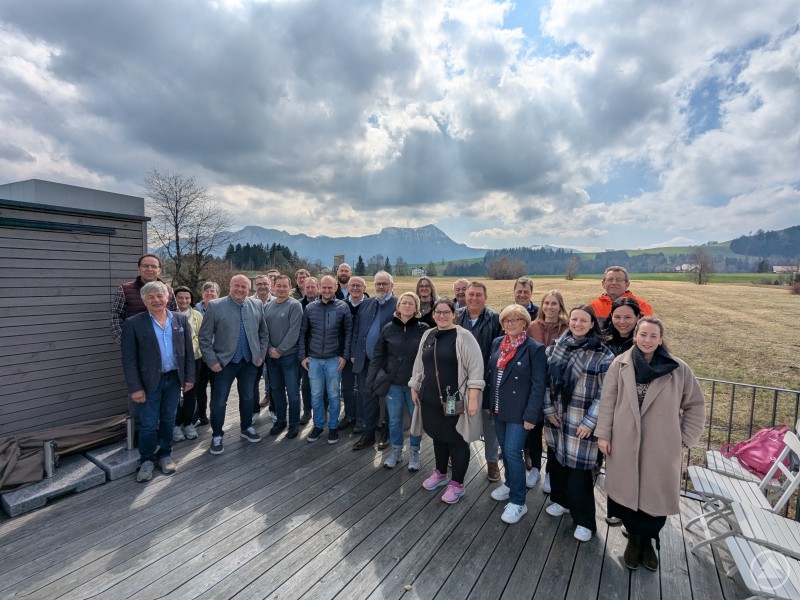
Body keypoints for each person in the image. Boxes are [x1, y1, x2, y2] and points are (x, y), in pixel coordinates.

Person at [596, 317, 705, 570]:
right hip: (624, 440)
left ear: (661, 339)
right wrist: (604, 434)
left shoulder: (677, 368)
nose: (647, 340)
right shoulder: (620, 364)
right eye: (643, 335)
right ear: (635, 336)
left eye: (653, 336)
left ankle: (649, 542)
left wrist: (685, 437)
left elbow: (695, 405)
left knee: (655, 497)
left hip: (661, 445)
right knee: (627, 494)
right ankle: (634, 541)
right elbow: (608, 401)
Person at [543, 304, 614, 542]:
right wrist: (548, 408)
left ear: (592, 324)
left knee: (579, 473)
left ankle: (584, 521)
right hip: (557, 418)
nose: (578, 324)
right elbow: (545, 381)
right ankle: (560, 501)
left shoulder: (603, 354)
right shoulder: (556, 348)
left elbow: (606, 393)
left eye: (584, 320)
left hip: (582, 423)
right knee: (557, 464)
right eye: (574, 319)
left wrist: (591, 421)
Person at [410, 298, 484, 505]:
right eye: (438, 312)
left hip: (453, 399)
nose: (441, 316)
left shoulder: (464, 337)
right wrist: (414, 386)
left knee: (456, 438)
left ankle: (457, 484)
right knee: (437, 436)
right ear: (433, 314)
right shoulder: (428, 334)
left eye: (446, 312)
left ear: (454, 314)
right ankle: (440, 473)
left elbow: (476, 370)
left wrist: (473, 400)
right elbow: (419, 364)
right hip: (430, 398)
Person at [121, 281, 194, 482]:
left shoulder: (180, 320)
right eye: (151, 297)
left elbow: (187, 352)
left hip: (173, 379)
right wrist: (135, 387)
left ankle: (165, 454)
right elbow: (129, 359)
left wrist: (189, 378)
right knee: (149, 423)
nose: (156, 300)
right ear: (144, 300)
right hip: (148, 382)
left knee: (169, 419)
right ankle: (146, 460)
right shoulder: (134, 323)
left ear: (167, 298)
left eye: (160, 295)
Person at [487, 304, 547, 524]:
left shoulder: (534, 348)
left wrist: (531, 415)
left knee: (513, 452)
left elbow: (539, 385)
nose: (509, 324)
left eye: (514, 320)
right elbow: (492, 375)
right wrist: (488, 404)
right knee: (506, 449)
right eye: (505, 321)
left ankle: (518, 501)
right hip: (499, 408)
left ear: (524, 323)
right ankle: (510, 484)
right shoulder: (497, 344)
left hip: (520, 413)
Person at [198, 274, 270, 456]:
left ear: (249, 288)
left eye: (244, 286)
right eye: (236, 285)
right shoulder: (215, 306)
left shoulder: (257, 305)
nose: (240, 289)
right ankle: (217, 435)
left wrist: (260, 355)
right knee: (219, 400)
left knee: (248, 397)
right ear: (229, 286)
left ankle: (246, 428)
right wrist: (212, 361)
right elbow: (204, 338)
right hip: (223, 363)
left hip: (249, 362)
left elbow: (263, 333)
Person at [367, 292, 429, 470]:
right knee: (394, 420)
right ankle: (396, 451)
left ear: (416, 308)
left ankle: (414, 452)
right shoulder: (388, 328)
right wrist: (371, 379)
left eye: (411, 303)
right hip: (393, 383)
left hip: (414, 385)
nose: (407, 306)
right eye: (404, 303)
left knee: (416, 419)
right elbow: (378, 355)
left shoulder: (423, 329)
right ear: (398, 306)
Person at [455, 281, 503, 481]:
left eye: (478, 295)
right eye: (470, 294)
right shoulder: (456, 317)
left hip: (486, 381)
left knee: (489, 422)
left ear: (486, 297)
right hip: (458, 381)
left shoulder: (495, 319)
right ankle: (458, 454)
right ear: (464, 296)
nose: (473, 298)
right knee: (457, 416)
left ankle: (491, 461)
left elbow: (499, 351)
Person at [299, 275, 353, 444]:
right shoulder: (310, 308)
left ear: (336, 287)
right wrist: (302, 356)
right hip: (314, 359)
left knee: (334, 395)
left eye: (330, 287)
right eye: (324, 287)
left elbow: (349, 333)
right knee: (315, 395)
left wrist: (344, 356)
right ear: (319, 288)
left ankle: (334, 426)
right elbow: (303, 333)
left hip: (333, 359)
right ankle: (318, 425)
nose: (327, 290)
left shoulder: (343, 307)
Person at [525, 290, 569, 491]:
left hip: (557, 389)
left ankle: (551, 472)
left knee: (553, 433)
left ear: (560, 306)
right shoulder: (531, 327)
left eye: (554, 304)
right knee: (533, 431)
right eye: (547, 303)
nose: (550, 307)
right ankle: (534, 468)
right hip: (534, 386)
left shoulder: (567, 329)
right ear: (541, 306)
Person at [351, 271, 397, 451]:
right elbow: (357, 330)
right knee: (367, 396)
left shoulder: (398, 305)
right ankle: (368, 434)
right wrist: (355, 352)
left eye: (384, 284)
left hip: (387, 363)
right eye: (378, 283)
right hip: (365, 361)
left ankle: (386, 433)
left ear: (391, 286)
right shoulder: (367, 304)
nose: (380, 287)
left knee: (388, 399)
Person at [264, 274, 304, 439]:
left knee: (293, 392)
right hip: (271, 358)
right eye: (278, 285)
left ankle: (294, 424)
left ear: (289, 288)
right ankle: (280, 421)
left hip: (289, 357)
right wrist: (269, 349)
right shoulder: (267, 306)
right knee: (276, 390)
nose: (281, 289)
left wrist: (279, 350)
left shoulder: (295, 306)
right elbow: (263, 331)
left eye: (284, 286)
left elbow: (294, 332)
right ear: (273, 287)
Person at [111, 253, 177, 344]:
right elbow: (116, 317)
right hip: (137, 343)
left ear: (159, 270)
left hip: (166, 343)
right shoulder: (124, 289)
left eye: (153, 266)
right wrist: (125, 342)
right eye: (145, 266)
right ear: (139, 269)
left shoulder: (168, 290)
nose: (149, 269)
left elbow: (175, 314)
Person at [172, 286, 203, 443]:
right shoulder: (168, 314)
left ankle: (189, 423)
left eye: (187, 298)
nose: (184, 301)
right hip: (175, 361)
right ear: (174, 299)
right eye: (180, 298)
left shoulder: (197, 315)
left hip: (195, 358)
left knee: (192, 391)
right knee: (175, 393)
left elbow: (202, 336)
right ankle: (175, 424)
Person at [588, 266, 653, 327]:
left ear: (627, 284)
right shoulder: (592, 307)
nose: (614, 283)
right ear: (603, 283)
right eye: (610, 279)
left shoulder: (642, 306)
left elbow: (649, 332)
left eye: (619, 280)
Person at [342, 276, 368, 430]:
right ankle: (348, 415)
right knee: (346, 387)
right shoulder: (342, 304)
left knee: (362, 388)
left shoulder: (370, 305)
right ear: (348, 288)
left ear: (364, 288)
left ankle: (361, 418)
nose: (355, 288)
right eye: (352, 285)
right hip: (345, 352)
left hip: (362, 354)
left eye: (359, 285)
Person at [193, 281, 219, 426]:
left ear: (218, 294)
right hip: (200, 356)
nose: (209, 293)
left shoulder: (222, 308)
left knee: (217, 389)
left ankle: (215, 414)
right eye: (206, 291)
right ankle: (201, 415)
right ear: (202, 294)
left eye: (212, 291)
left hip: (217, 355)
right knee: (200, 388)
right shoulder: (195, 311)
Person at [252, 275, 274, 422]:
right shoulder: (248, 302)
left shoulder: (278, 300)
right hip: (255, 348)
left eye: (265, 284)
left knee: (274, 379)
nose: (262, 287)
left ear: (270, 285)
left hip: (273, 348)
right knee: (252, 381)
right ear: (254, 286)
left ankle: (274, 409)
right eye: (259, 284)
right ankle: (254, 411)